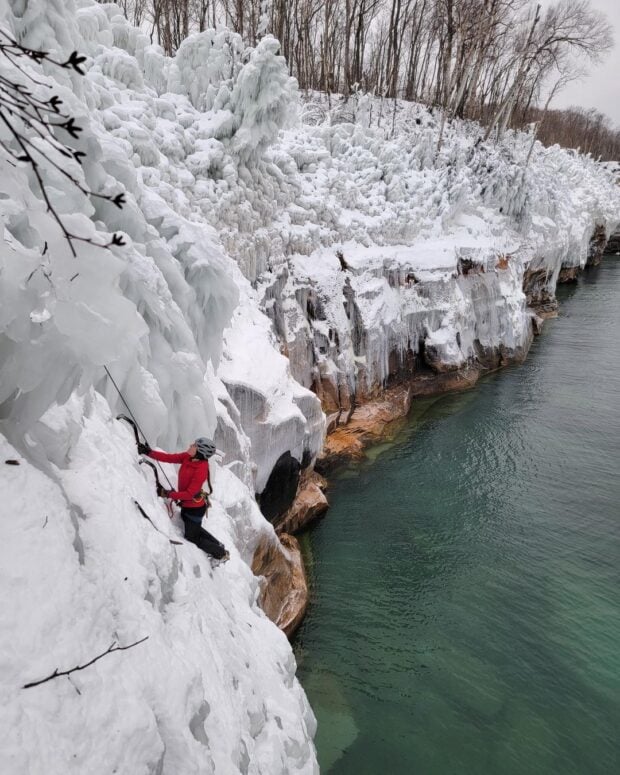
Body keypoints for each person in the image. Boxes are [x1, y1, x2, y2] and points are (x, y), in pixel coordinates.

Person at [138, 437, 229, 562]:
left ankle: (220, 554)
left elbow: (190, 494)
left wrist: (169, 494)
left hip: (195, 509)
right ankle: (219, 546)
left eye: (195, 445)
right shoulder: (188, 457)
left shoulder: (201, 469)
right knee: (195, 529)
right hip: (188, 506)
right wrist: (149, 452)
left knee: (192, 536)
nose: (191, 445)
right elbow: (170, 458)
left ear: (200, 451)